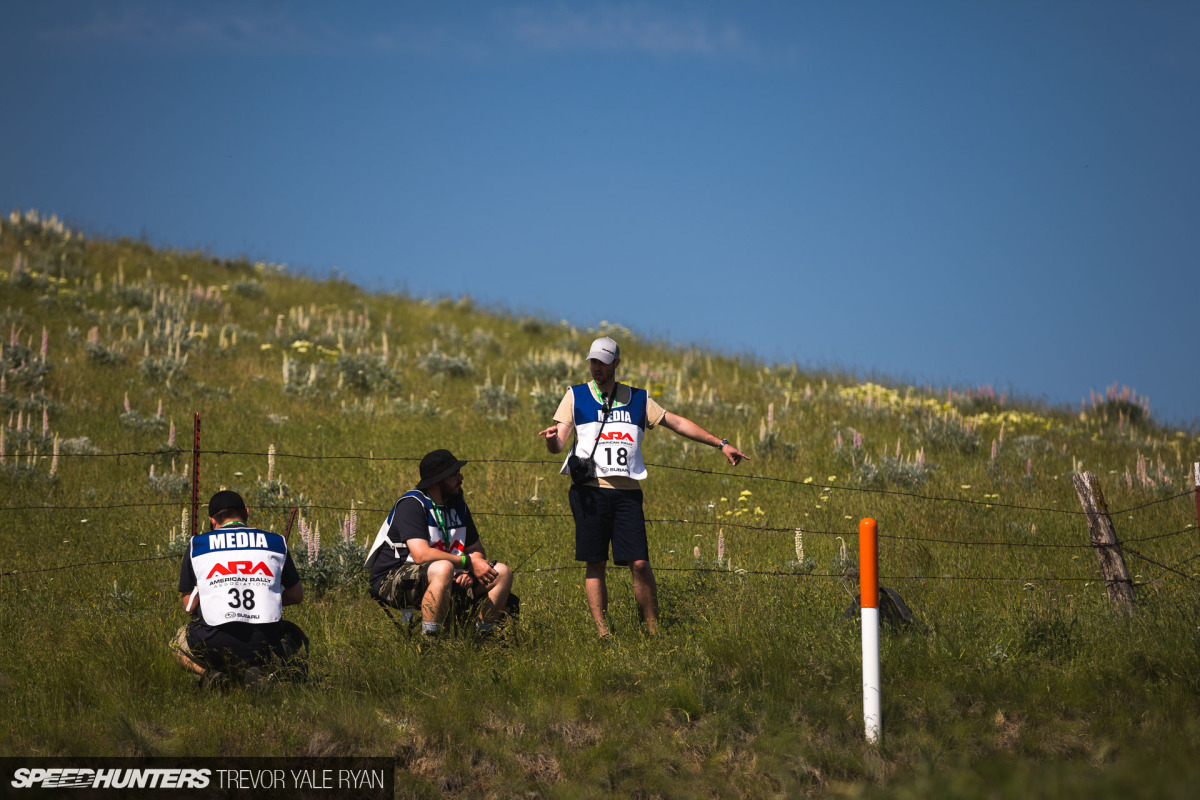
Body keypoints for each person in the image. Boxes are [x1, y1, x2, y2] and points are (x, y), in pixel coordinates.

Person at [539, 336, 749, 637]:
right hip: (589, 491)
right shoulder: (575, 395)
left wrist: (721, 444)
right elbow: (559, 443)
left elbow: (675, 422)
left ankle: (653, 629)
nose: (596, 367)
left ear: (616, 363)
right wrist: (550, 441)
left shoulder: (638, 398)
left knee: (639, 562)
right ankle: (603, 633)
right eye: (593, 361)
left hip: (627, 494)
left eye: (602, 362)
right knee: (595, 561)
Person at [366, 449, 515, 637]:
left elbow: (476, 549)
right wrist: (466, 563)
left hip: (445, 573)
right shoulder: (412, 504)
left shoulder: (457, 504)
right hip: (393, 579)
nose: (461, 477)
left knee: (501, 572)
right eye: (454, 474)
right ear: (438, 481)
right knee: (443, 568)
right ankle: (430, 642)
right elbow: (421, 555)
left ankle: (482, 637)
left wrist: (469, 572)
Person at [173, 490, 307, 688]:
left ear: (212, 520)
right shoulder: (276, 542)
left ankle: (211, 675)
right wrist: (267, 596)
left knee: (176, 644)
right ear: (247, 513)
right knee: (291, 635)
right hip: (265, 639)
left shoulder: (197, 545)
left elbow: (188, 606)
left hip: (213, 640)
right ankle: (265, 671)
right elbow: (296, 595)